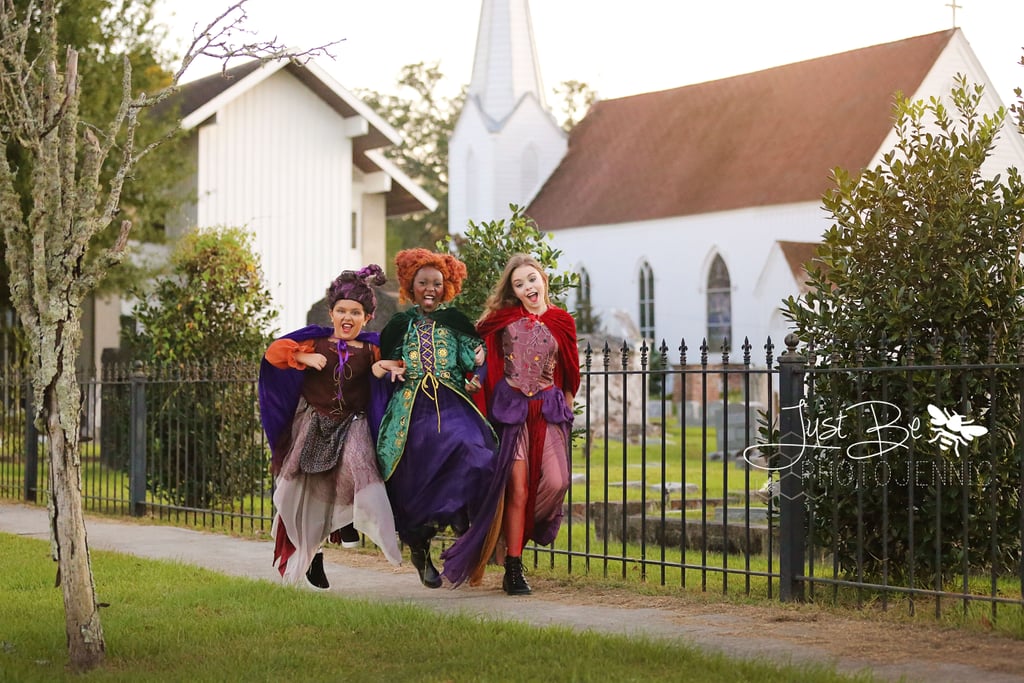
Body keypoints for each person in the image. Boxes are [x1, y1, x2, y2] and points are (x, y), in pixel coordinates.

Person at [258, 265, 402, 590]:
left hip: (352, 422)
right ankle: (315, 554)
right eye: (341, 310)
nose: (347, 317)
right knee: (312, 490)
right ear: (331, 312)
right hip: (313, 423)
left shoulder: (370, 347)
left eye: (356, 312)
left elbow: (388, 364)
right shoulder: (315, 340)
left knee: (358, 463)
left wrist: (383, 367)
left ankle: (352, 521)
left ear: (367, 317)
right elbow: (274, 352)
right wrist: (302, 358)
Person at [374, 248, 500, 589]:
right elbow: (387, 362)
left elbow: (471, 360)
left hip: (452, 399)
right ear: (410, 286)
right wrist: (391, 369)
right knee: (415, 471)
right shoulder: (400, 325)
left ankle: (462, 515)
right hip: (411, 405)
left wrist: (477, 364)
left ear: (447, 287)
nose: (430, 288)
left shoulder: (456, 323)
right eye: (422, 282)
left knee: (475, 451)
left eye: (437, 283)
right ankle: (419, 547)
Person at [474, 254, 580, 595]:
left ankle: (512, 532)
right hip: (514, 411)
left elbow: (570, 368)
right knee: (517, 488)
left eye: (531, 279)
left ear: (543, 279)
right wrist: (474, 361)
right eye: (519, 284)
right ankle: (514, 568)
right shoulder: (502, 319)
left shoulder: (562, 320)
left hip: (548, 409)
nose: (527, 288)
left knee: (557, 480)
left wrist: (568, 400)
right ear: (514, 291)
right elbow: (477, 345)